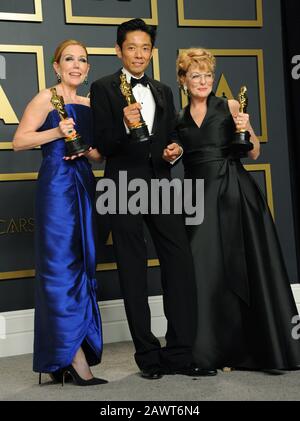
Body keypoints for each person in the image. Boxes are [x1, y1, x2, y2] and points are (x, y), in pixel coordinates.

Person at [90, 19, 211, 379]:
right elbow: (104, 145)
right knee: (132, 269)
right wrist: (126, 126)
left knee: (179, 264)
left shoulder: (161, 90)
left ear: (152, 52)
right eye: (132, 47)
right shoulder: (102, 88)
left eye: (145, 48)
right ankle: (148, 356)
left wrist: (173, 149)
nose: (139, 54)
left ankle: (180, 352)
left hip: (161, 184)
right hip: (123, 187)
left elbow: (169, 135)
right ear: (118, 50)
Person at [176, 47, 300, 372]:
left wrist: (246, 126)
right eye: (195, 75)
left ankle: (249, 348)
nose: (203, 81)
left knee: (243, 267)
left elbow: (255, 151)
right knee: (203, 271)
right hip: (196, 198)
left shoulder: (230, 106)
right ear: (183, 80)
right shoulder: (177, 118)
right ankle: (206, 351)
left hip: (234, 193)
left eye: (207, 75)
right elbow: (174, 155)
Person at [13, 39, 108, 386]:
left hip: (84, 182)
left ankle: (65, 352)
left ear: (87, 69)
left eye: (82, 60)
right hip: (56, 186)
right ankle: (71, 357)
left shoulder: (90, 103)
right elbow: (19, 140)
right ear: (56, 66)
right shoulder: (44, 98)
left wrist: (89, 151)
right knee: (59, 267)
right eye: (69, 59)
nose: (76, 65)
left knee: (83, 264)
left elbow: (98, 155)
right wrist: (56, 131)